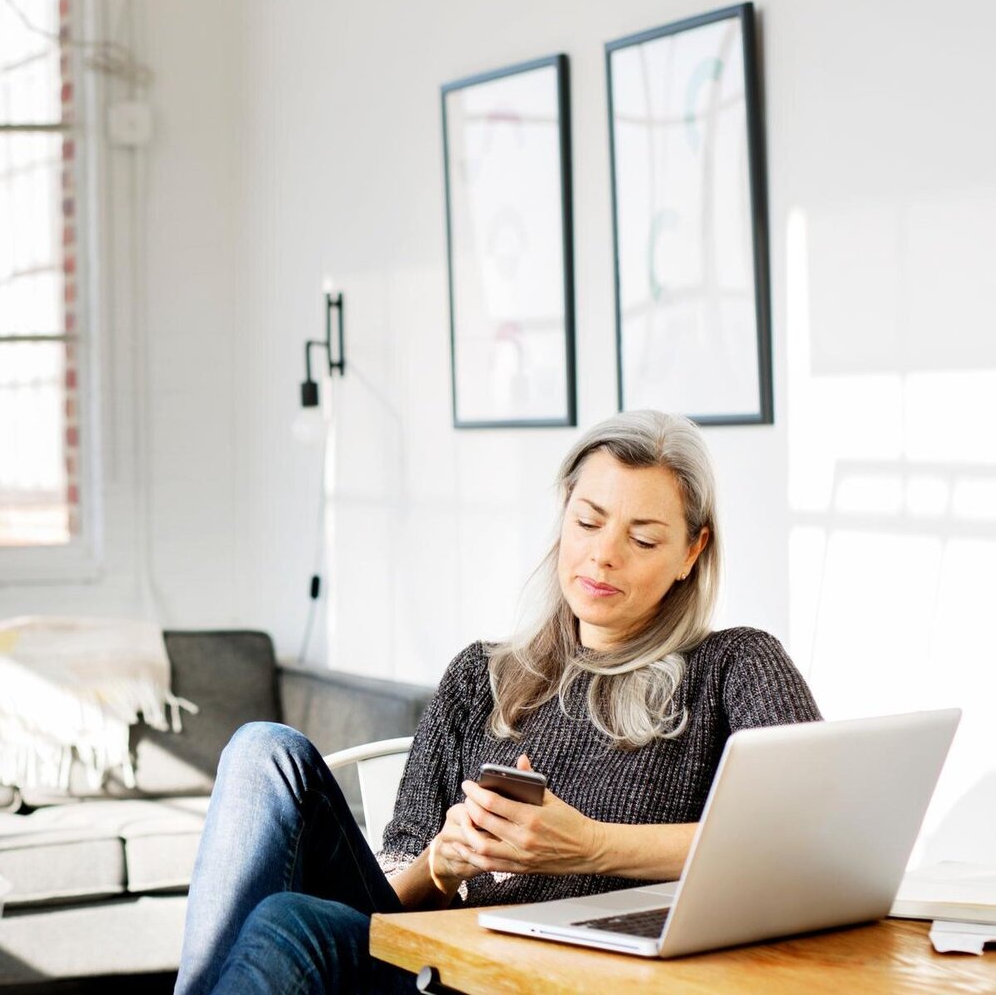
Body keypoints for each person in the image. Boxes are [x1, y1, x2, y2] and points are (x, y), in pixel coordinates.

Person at [173, 410, 823, 994]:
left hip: (573, 979)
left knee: (290, 921)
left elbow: (811, 837)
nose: (603, 554)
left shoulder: (735, 666)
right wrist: (443, 864)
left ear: (692, 551)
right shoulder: (478, 676)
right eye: (588, 521)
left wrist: (592, 846)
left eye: (643, 538)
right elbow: (395, 902)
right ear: (564, 513)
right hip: (437, 965)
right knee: (266, 749)